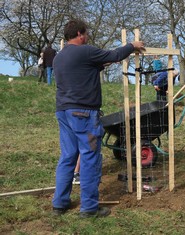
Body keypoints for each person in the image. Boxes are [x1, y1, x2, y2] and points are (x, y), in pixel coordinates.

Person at [52, 19, 145, 218]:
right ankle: (89, 208)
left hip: (64, 111)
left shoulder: (59, 57)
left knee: (68, 157)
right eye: (85, 34)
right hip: (84, 113)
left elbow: (85, 70)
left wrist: (102, 63)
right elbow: (115, 54)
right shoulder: (85, 50)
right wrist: (132, 45)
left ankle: (59, 204)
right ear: (79, 33)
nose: (87, 37)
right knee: (89, 158)